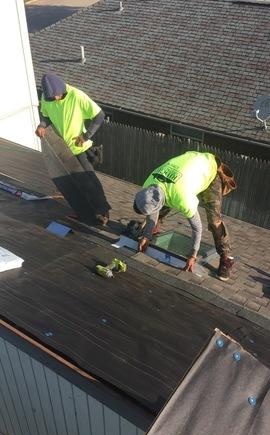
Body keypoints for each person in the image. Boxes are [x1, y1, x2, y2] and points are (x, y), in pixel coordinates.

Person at [133, 151, 236, 281]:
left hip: (210, 169)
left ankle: (226, 258)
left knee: (214, 221)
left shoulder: (182, 198)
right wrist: (146, 235)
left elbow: (197, 228)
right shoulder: (148, 184)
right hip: (190, 169)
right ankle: (152, 231)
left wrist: (193, 255)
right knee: (159, 206)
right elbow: (152, 210)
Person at [35, 72, 111, 225]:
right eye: (51, 98)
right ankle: (83, 211)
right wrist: (42, 125)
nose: (54, 100)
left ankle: (103, 212)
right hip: (62, 149)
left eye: (56, 96)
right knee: (72, 185)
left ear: (61, 89)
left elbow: (99, 116)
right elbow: (46, 116)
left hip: (79, 148)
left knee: (90, 182)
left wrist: (85, 136)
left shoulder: (77, 96)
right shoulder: (47, 97)